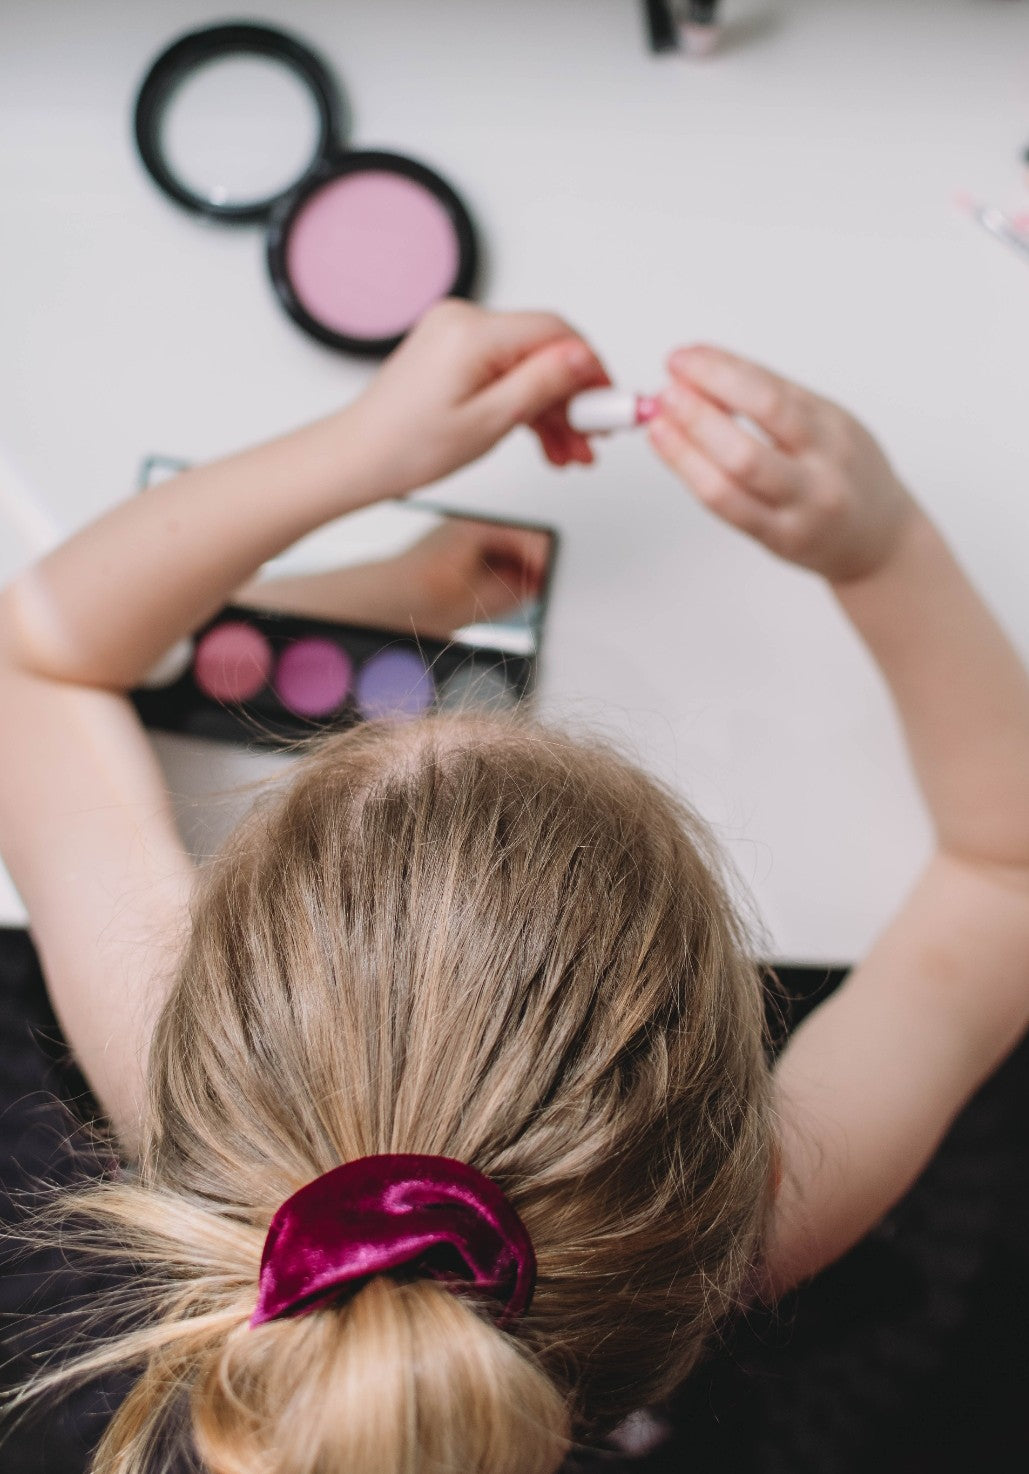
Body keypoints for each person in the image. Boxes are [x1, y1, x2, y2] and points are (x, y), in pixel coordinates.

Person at [0, 300, 1026, 1474]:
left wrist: (359, 453)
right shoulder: (744, 1220)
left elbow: (31, 661)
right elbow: (1010, 866)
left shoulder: (188, 1102)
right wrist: (883, 547)